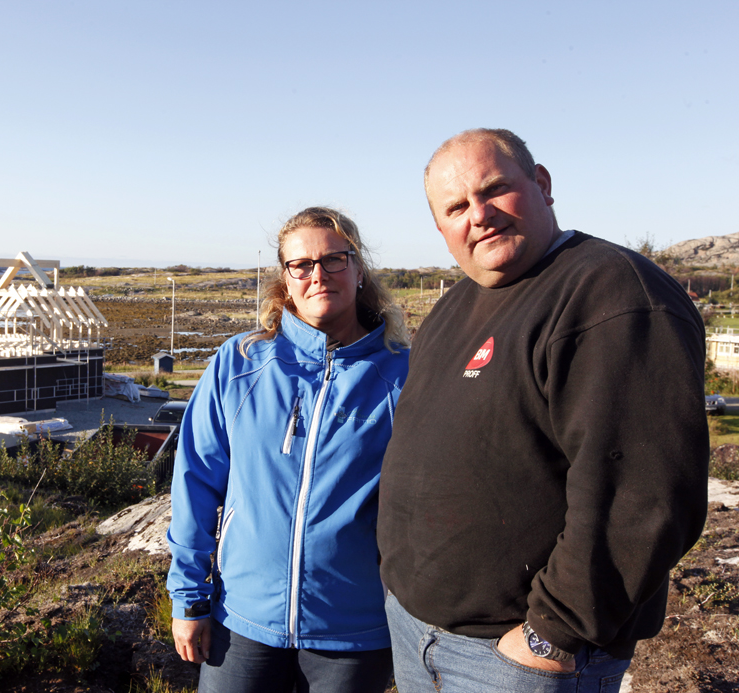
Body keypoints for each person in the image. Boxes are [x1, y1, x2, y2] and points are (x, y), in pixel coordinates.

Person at [376, 128, 709, 692]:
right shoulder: (455, 304)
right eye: (456, 206)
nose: (478, 215)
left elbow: (643, 494)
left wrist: (553, 633)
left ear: (542, 185)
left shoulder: (611, 294)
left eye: (495, 189)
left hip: (513, 660)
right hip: (416, 635)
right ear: (441, 228)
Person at [167, 206, 411, 693]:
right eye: (301, 264)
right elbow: (195, 483)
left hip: (354, 634)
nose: (318, 274)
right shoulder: (239, 364)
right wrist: (189, 600)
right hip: (243, 621)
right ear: (286, 278)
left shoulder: (403, 376)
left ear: (359, 270)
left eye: (335, 260)